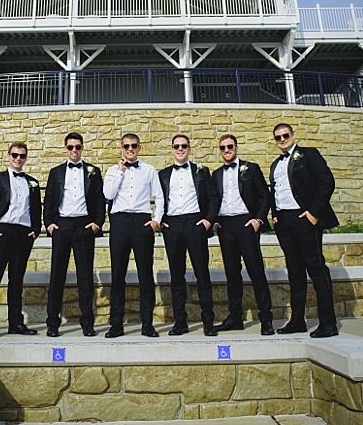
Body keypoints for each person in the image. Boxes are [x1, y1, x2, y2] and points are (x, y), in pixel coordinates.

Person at [269, 123, 339, 338]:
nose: (282, 140)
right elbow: (276, 191)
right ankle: (297, 320)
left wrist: (313, 212)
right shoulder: (275, 164)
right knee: (295, 272)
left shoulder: (309, 155)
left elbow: (326, 182)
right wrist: (275, 215)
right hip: (285, 222)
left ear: (293, 135)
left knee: (316, 268)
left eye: (285, 135)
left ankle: (328, 323)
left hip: (305, 218)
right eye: (278, 137)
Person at [210, 134, 275, 335]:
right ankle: (235, 317)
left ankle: (266, 318)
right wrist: (215, 222)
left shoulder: (251, 168)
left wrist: (258, 219)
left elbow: (265, 196)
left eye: (230, 146)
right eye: (222, 148)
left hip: (246, 222)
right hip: (225, 226)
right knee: (232, 273)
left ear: (236, 147)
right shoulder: (216, 174)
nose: (226, 150)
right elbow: (213, 200)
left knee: (256, 271)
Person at [43, 132, 105, 337]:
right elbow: (49, 199)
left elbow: (99, 200)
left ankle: (87, 322)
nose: (74, 151)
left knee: (85, 277)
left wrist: (97, 223)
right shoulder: (56, 172)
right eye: (70, 147)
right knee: (57, 276)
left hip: (84, 226)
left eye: (77, 147)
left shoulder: (93, 172)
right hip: (61, 226)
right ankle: (53, 323)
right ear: (65, 149)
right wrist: (50, 224)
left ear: (82, 147)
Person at [0, 142, 41, 338]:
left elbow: (37, 209)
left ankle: (16, 323)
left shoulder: (33, 182)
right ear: (8, 156)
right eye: (14, 155)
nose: (18, 159)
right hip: (1, 232)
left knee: (16, 280)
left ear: (26, 158)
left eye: (21, 156)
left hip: (23, 234)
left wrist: (35, 231)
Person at [102, 133, 164, 338]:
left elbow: (159, 196)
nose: (130, 149)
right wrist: (120, 172)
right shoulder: (112, 171)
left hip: (141, 221)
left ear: (140, 147)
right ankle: (116, 324)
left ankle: (147, 323)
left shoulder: (149, 170)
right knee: (117, 274)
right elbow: (108, 195)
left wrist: (156, 220)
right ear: (121, 148)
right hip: (119, 222)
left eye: (133, 145)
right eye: (126, 146)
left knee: (145, 274)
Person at [157, 135, 219, 336]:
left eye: (184, 146)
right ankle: (180, 322)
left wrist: (208, 220)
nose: (180, 149)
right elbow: (158, 198)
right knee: (177, 275)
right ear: (172, 149)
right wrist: (161, 221)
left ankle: (208, 323)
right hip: (172, 225)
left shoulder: (202, 171)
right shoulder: (163, 174)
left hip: (195, 223)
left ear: (189, 149)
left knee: (202, 273)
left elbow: (212, 198)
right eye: (177, 146)